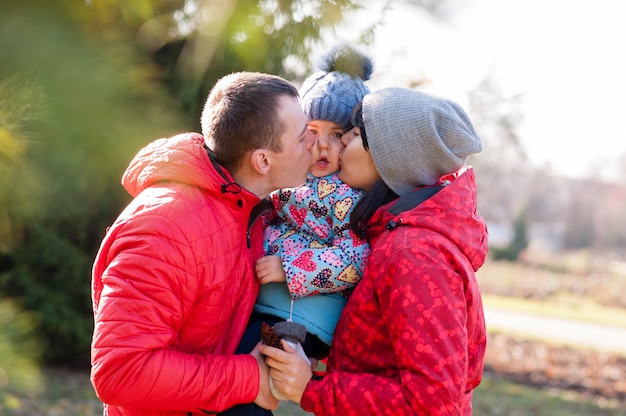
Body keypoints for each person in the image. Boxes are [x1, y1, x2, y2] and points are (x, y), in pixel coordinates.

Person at [90, 71, 315, 416]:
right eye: (303, 138)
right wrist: (248, 377)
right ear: (263, 160)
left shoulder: (249, 209)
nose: (314, 144)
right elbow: (121, 372)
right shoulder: (164, 228)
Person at [261, 87, 489, 416]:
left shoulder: (414, 254)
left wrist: (313, 389)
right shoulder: (395, 237)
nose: (339, 147)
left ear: (384, 157)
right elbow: (386, 364)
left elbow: (433, 403)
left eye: (351, 136)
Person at [219, 44, 373, 416]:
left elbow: (355, 259)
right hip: (266, 307)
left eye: (338, 135)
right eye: (314, 130)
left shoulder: (350, 196)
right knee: (230, 377)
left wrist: (288, 267)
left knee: (246, 389)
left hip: (302, 319)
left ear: (354, 140)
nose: (322, 145)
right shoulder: (293, 180)